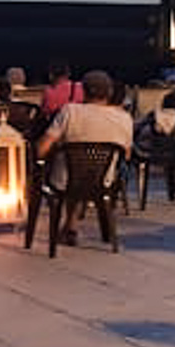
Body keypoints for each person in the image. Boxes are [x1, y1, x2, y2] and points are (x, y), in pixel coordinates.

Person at [35, 69, 133, 244]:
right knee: (85, 173)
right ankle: (71, 227)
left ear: (83, 91)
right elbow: (126, 155)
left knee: (69, 172)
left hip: (65, 180)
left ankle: (69, 227)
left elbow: (42, 148)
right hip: (104, 181)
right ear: (109, 92)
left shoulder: (70, 111)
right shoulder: (124, 118)